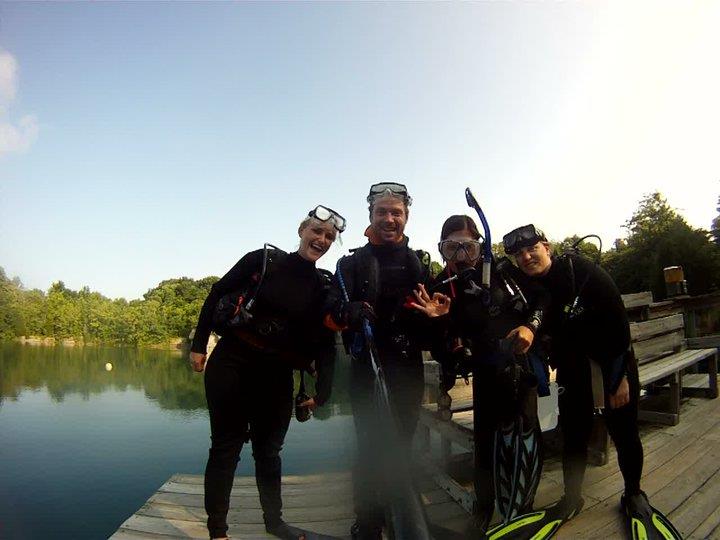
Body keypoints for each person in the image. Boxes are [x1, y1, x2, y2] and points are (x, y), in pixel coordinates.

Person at [493, 224, 681, 540]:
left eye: (531, 249)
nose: (526, 257)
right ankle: (571, 497)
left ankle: (633, 493)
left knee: (624, 431)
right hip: (573, 368)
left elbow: (620, 325)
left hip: (613, 363)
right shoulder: (528, 288)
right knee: (574, 436)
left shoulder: (580, 270)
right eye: (518, 254)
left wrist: (620, 378)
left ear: (546, 247)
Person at [189, 205, 345, 540]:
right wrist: (199, 345)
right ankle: (218, 532)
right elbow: (217, 291)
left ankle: (275, 524)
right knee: (225, 448)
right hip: (233, 362)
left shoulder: (323, 286)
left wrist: (323, 393)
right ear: (302, 230)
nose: (321, 239)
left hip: (276, 374)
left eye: (329, 237)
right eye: (316, 231)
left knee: (269, 453)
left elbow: (326, 342)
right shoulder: (263, 261)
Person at [324, 183, 447, 540]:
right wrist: (345, 311)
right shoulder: (349, 264)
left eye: (397, 213)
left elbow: (435, 320)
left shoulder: (419, 264)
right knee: (368, 446)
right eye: (382, 212)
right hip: (366, 370)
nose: (389, 219)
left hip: (406, 368)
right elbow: (328, 314)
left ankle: (399, 509)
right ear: (371, 216)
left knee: (402, 444)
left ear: (406, 218)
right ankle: (367, 520)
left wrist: (438, 317)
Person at [422, 215, 549, 536]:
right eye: (451, 248)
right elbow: (443, 348)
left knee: (525, 435)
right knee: (484, 445)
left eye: (468, 246)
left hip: (520, 369)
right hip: (483, 373)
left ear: (482, 246)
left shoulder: (504, 272)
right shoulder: (442, 287)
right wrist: (439, 323)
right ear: (442, 251)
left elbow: (543, 298)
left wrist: (530, 327)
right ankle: (484, 505)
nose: (461, 255)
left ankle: (523, 505)